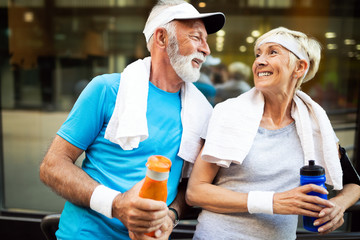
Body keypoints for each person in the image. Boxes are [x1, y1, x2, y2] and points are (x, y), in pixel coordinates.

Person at [39, 1, 225, 239]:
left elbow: (190, 187)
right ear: (161, 39)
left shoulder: (201, 110)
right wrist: (116, 204)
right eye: (197, 37)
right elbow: (52, 166)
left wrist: (171, 215)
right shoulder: (107, 90)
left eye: (206, 40)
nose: (206, 49)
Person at [186, 27, 360, 240]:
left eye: (272, 52)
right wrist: (272, 202)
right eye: (258, 54)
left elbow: (355, 183)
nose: (259, 61)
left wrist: (338, 205)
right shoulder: (228, 114)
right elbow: (195, 192)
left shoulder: (315, 124)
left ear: (300, 67)